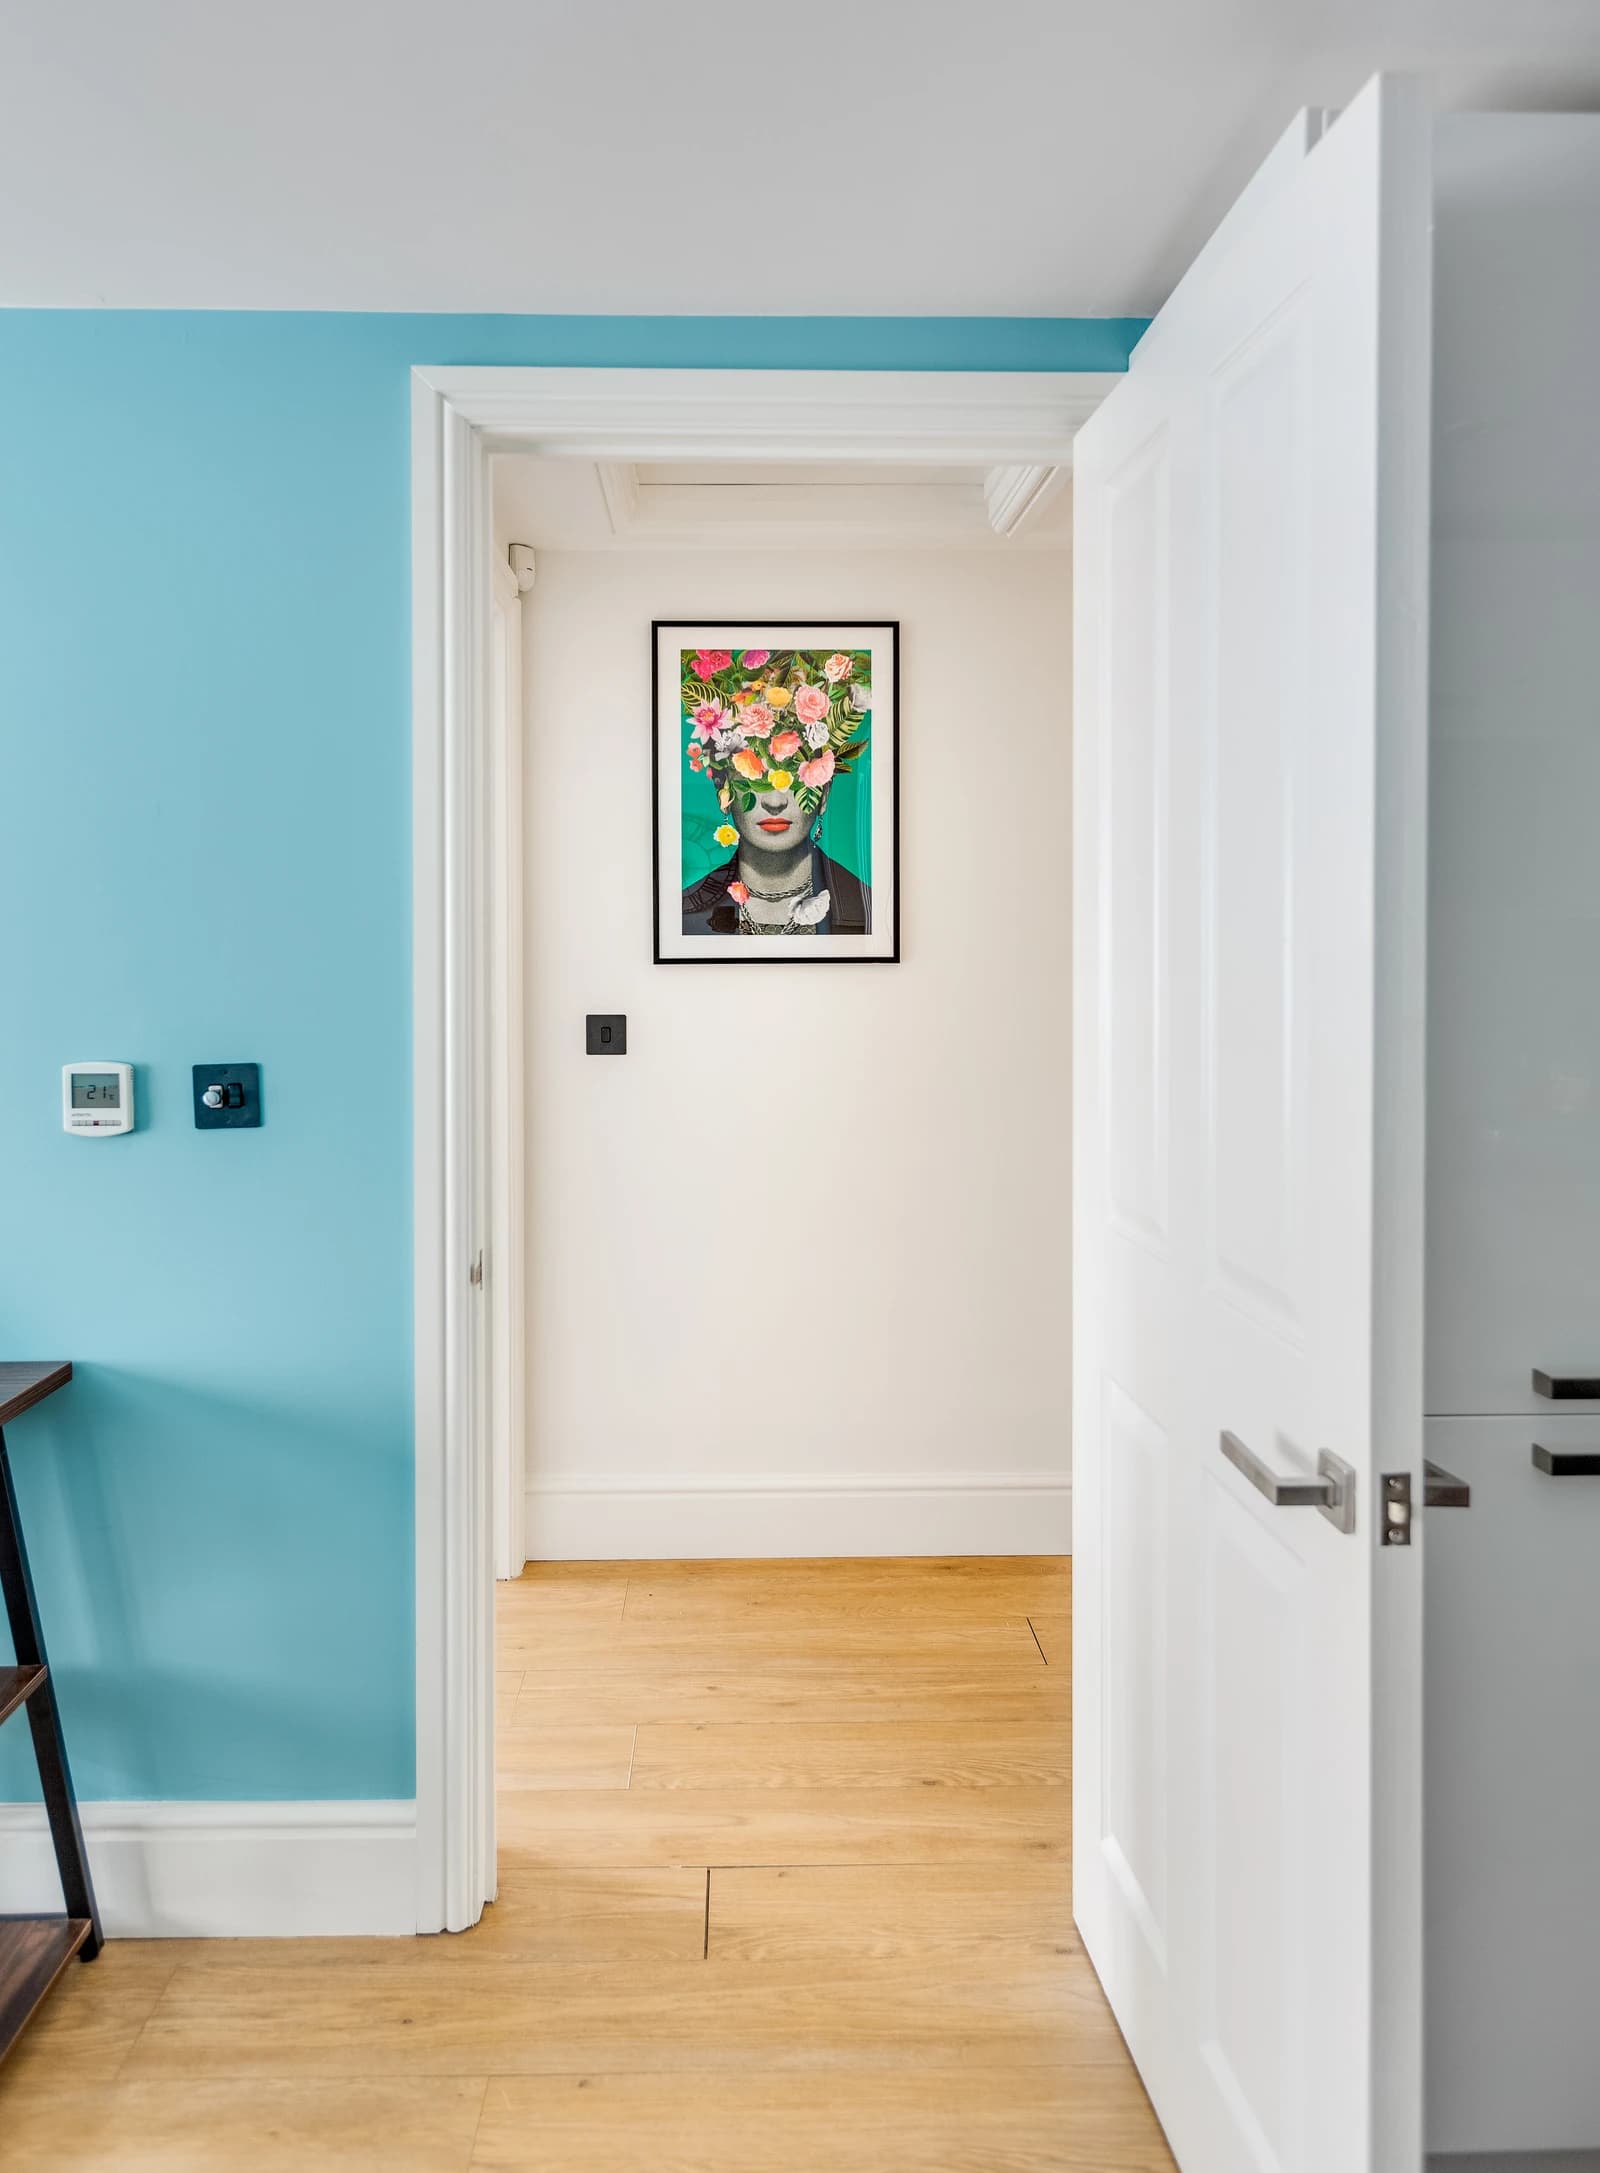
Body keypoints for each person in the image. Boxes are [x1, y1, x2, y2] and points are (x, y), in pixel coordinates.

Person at [677, 647, 872, 938]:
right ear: (724, 791)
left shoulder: (865, 910)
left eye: (796, 780)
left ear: (824, 794)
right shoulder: (682, 920)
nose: (775, 801)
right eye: (752, 777)